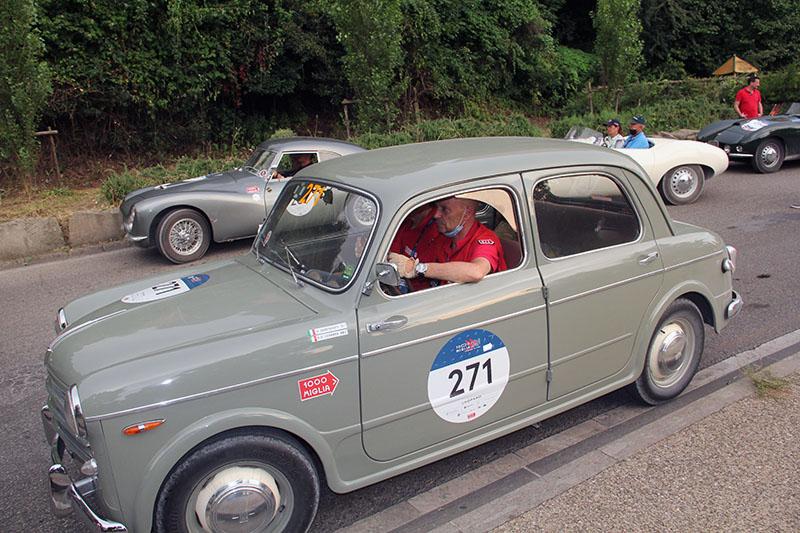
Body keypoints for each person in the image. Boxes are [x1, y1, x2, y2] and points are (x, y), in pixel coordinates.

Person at [388, 196, 506, 288]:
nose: (436, 215)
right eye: (437, 208)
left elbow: (477, 271)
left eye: (444, 209)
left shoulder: (485, 240)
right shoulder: (444, 238)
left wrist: (416, 268)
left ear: (467, 214)